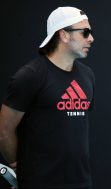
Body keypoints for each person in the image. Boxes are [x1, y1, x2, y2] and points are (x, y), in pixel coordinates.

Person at [0, 6, 95, 189]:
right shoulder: (30, 76)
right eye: (85, 32)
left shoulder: (87, 75)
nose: (91, 38)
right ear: (64, 35)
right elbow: (4, 131)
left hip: (81, 182)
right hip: (39, 183)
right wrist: (16, 165)